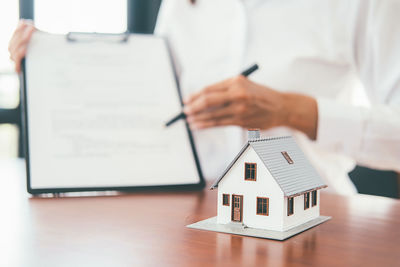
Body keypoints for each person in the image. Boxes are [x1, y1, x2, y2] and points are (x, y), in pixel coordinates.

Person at [9, 0, 400, 195]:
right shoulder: (185, 4)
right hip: (185, 224)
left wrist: (290, 110)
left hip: (317, 218)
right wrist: (53, 66)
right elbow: (153, 107)